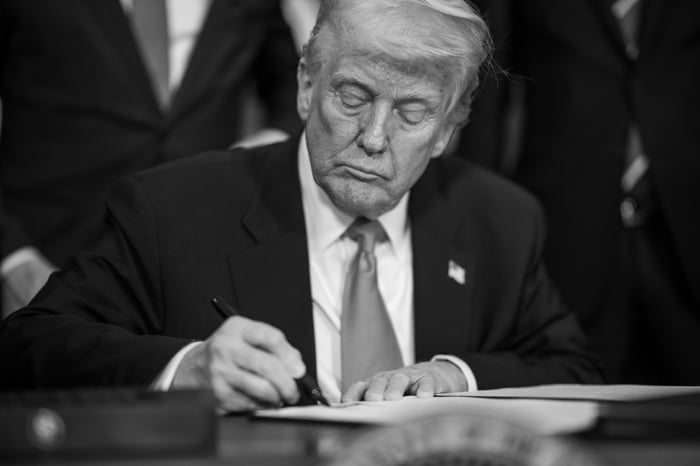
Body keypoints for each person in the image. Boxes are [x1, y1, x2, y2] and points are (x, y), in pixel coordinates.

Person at [0, 0, 602, 410]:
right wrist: (186, 369)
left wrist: (457, 376)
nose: (372, 136)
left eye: (412, 113)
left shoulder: (502, 220)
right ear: (305, 88)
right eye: (352, 95)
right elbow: (27, 346)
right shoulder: (172, 210)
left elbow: (576, 370)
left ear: (447, 130)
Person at [0, 0, 300, 316]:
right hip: (47, 260)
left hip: (188, 270)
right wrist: (12, 260)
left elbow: (292, 83)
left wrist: (266, 143)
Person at [457, 0, 700, 384]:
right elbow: (488, 85)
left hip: (684, 220)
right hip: (569, 224)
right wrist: (472, 213)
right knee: (577, 389)